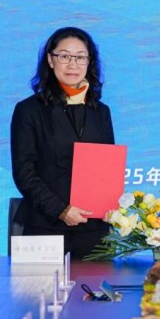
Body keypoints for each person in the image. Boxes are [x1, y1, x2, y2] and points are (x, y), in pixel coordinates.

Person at [11, 27, 114, 258]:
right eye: (64, 56)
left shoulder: (101, 112)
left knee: (99, 283)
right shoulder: (29, 110)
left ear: (89, 62)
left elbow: (107, 168)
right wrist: (60, 210)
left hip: (94, 228)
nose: (73, 64)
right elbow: (24, 173)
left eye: (80, 57)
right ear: (50, 60)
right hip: (45, 227)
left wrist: (109, 204)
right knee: (39, 285)